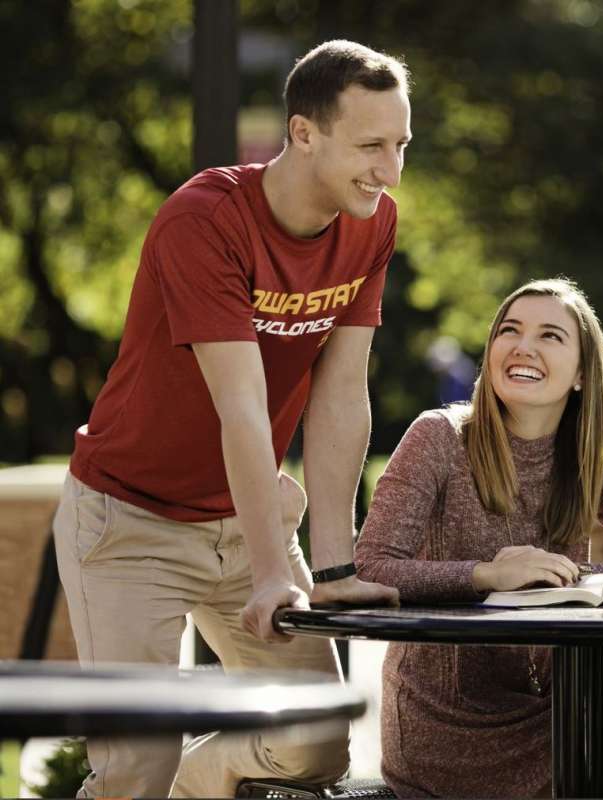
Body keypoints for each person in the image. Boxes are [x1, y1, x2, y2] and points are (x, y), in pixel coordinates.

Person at [51, 40, 407, 798]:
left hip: (246, 518)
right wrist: (276, 575)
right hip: (128, 524)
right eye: (371, 146)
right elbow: (240, 406)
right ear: (303, 132)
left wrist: (333, 567)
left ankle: (182, 786)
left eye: (402, 145)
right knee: (133, 770)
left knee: (312, 751)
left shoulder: (372, 222)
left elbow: (342, 394)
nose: (390, 169)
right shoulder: (203, 220)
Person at [356, 278, 603, 797]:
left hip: (557, 699)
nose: (524, 346)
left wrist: (569, 578)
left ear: (583, 372)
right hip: (446, 719)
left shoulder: (602, 447)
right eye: (510, 330)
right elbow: (373, 566)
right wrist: (488, 575)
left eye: (550, 336)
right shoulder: (439, 436)